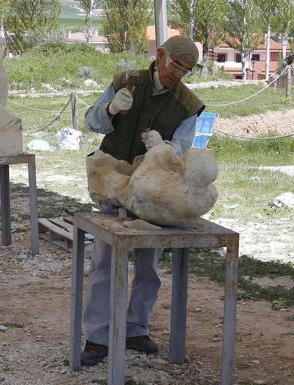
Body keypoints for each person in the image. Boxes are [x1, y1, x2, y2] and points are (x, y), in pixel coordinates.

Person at [80, 36, 205, 366]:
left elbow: (181, 148)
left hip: (153, 187)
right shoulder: (127, 82)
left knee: (149, 263)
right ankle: (98, 334)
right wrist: (111, 108)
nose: (179, 73)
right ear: (160, 55)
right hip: (113, 177)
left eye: (187, 69)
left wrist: (162, 147)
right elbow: (90, 121)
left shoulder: (188, 104)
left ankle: (136, 327)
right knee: (105, 259)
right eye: (176, 64)